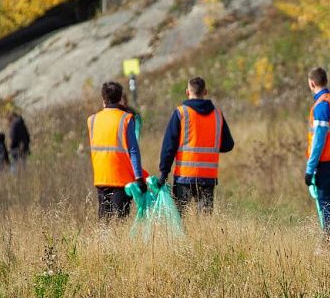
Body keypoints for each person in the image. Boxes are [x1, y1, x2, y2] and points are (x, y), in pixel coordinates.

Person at [157, 77, 234, 215]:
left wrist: (164, 173)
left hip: (184, 177)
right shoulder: (217, 115)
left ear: (188, 92)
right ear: (205, 92)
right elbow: (228, 145)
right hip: (208, 178)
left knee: (179, 219)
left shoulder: (181, 113)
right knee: (204, 220)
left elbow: (169, 146)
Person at [88, 81, 147, 220]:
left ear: (103, 99)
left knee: (104, 220)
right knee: (120, 220)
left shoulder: (92, 120)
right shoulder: (126, 119)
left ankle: (101, 242)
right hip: (122, 179)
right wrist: (139, 178)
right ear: (120, 98)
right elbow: (133, 151)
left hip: (101, 177)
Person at [303, 67, 330, 244]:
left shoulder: (322, 105)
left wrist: (310, 168)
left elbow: (318, 140)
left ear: (312, 83)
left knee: (326, 201)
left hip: (326, 160)